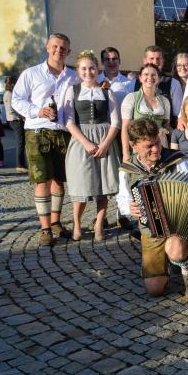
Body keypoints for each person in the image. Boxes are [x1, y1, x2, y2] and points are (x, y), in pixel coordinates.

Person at [119, 118, 188, 299]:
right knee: (154, 289)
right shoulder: (128, 169)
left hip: (178, 228)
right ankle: (172, 262)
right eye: (149, 146)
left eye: (158, 142)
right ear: (133, 145)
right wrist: (129, 207)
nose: (156, 149)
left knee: (175, 248)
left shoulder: (177, 161)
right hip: (150, 231)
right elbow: (121, 199)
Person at [12, 33, 78, 246]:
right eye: (55, 46)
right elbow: (16, 100)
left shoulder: (73, 76)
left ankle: (57, 222)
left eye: (63, 48)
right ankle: (45, 228)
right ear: (47, 47)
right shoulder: (31, 74)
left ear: (68, 52)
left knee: (59, 179)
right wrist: (37, 111)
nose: (59, 50)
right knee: (42, 180)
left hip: (63, 132)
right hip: (37, 132)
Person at [63, 50, 121, 242]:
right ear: (78, 70)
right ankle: (77, 225)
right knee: (81, 185)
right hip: (81, 141)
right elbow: (69, 122)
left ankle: (98, 225)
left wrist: (105, 144)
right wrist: (86, 143)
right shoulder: (73, 90)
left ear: (98, 69)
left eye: (92, 68)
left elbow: (115, 122)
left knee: (103, 185)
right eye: (84, 68)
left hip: (104, 139)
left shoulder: (106, 91)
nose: (88, 72)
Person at [120, 64, 172, 163]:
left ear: (158, 78)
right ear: (140, 78)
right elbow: (125, 127)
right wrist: (126, 153)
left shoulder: (164, 101)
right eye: (146, 74)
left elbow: (167, 126)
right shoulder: (131, 98)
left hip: (160, 145)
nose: (150, 78)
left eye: (153, 75)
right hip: (140, 146)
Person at [133, 45, 183, 127]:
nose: (155, 62)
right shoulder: (133, 84)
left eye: (158, 59)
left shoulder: (173, 83)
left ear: (163, 61)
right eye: (151, 58)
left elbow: (178, 114)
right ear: (145, 60)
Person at [3, 76, 27, 173]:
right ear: (12, 83)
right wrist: (23, 116)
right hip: (15, 120)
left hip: (14, 119)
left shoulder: (8, 93)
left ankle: (21, 164)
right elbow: (14, 108)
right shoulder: (9, 94)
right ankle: (20, 165)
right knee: (20, 143)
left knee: (21, 142)